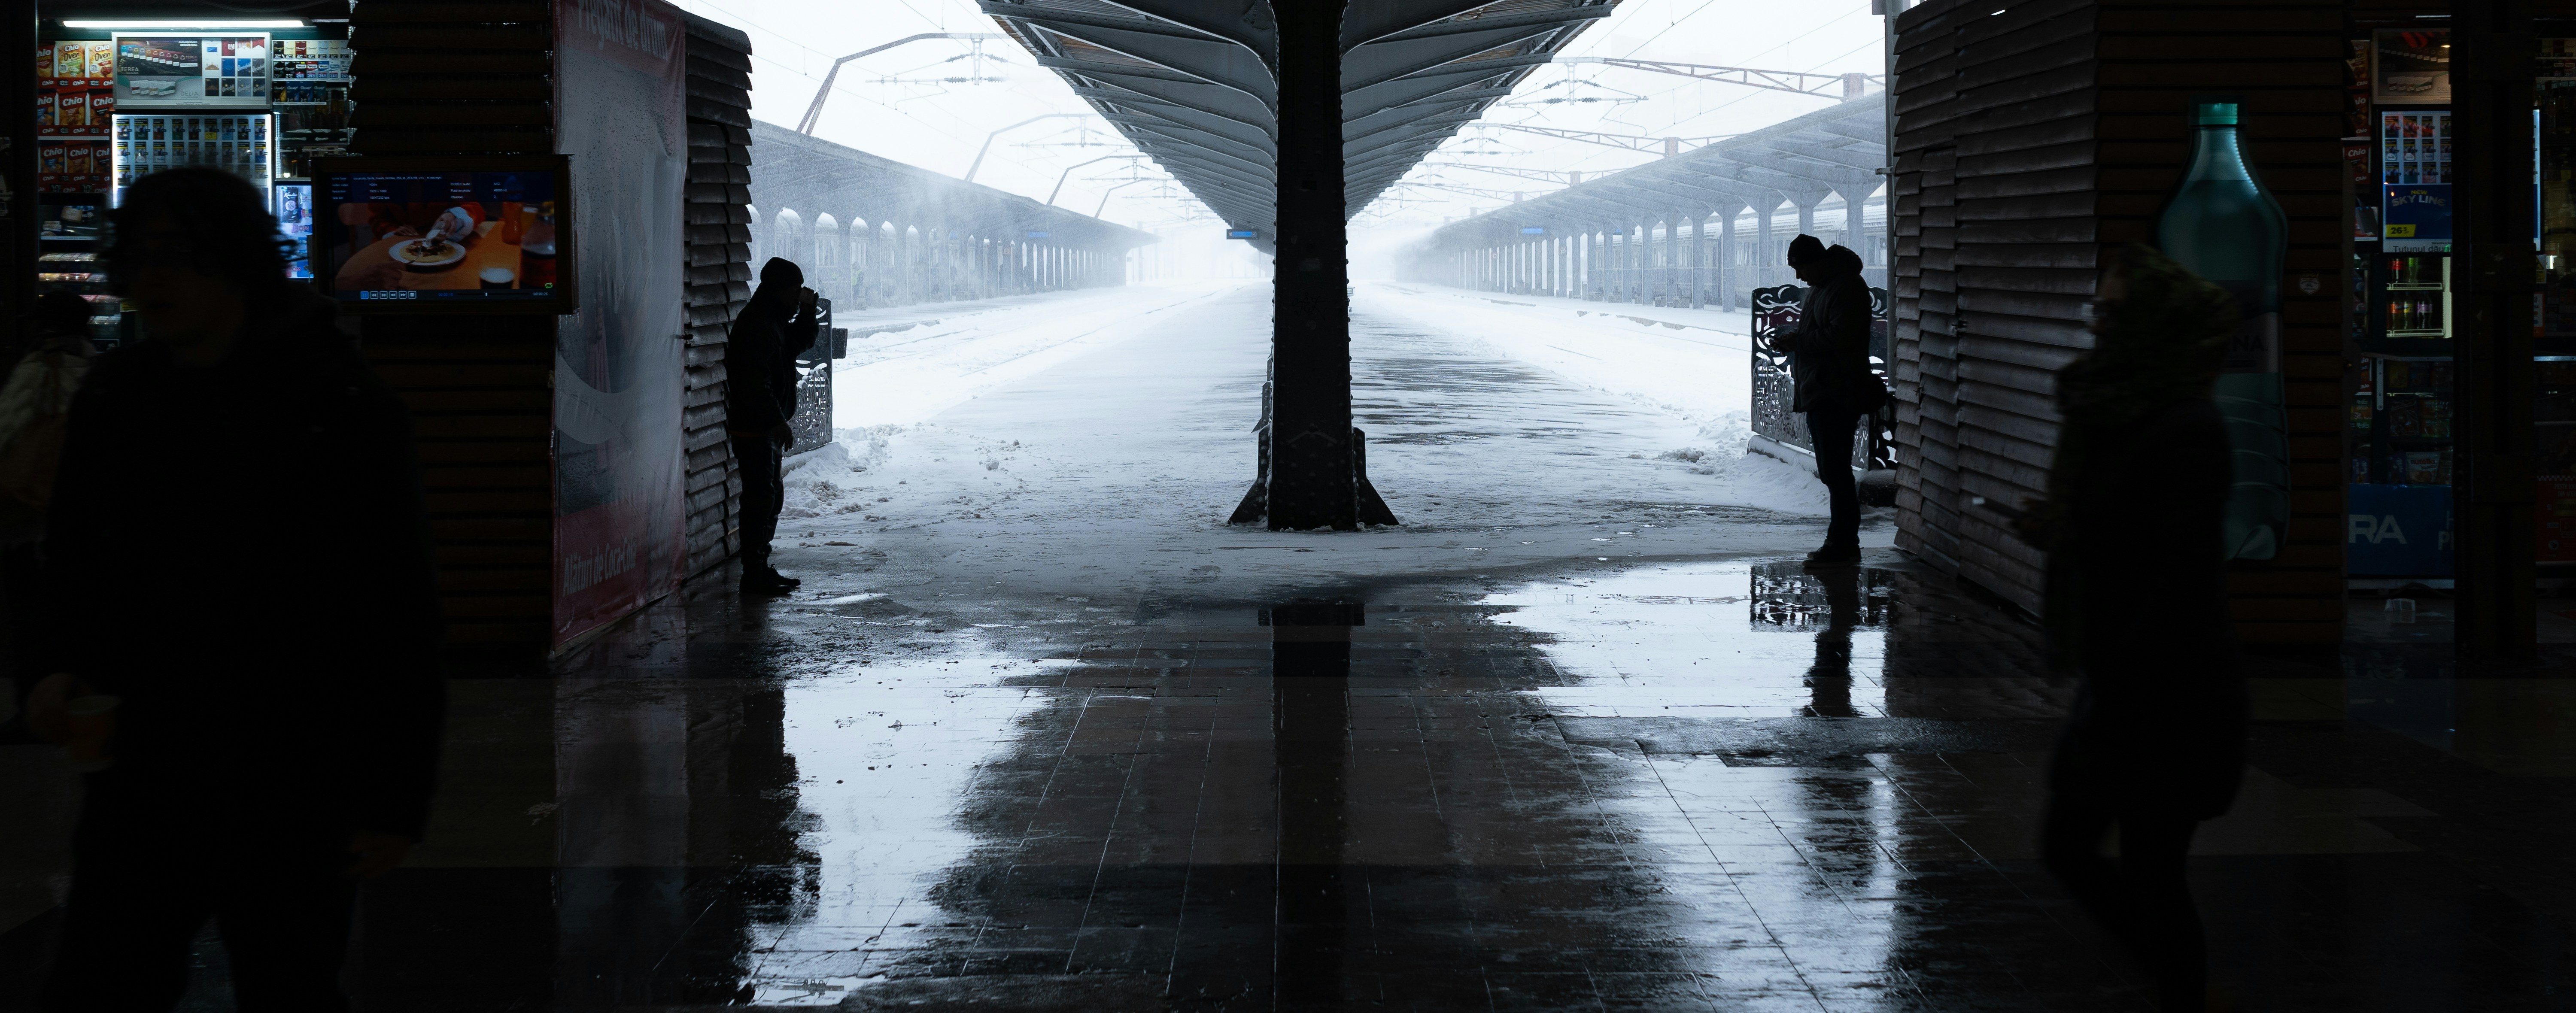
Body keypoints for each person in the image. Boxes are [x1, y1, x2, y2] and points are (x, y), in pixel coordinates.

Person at [21, 167, 446, 1012]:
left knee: (286, 982)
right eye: (138, 256)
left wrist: (394, 794)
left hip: (295, 778)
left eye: (180, 256)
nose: (151, 278)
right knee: (102, 980)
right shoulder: (118, 396)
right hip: (141, 770)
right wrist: (50, 667)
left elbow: (396, 606)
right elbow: (73, 559)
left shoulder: (341, 405)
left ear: (237, 262)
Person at [2015, 243, 2246, 1013]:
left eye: (2115, 313)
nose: (2101, 328)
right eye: (2098, 311)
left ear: (2151, 322)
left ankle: (2187, 994)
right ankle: (2185, 991)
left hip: (2172, 687)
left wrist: (2122, 679)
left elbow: (2177, 572)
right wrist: (2060, 528)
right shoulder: (2114, 409)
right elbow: (2116, 530)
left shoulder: (2186, 425)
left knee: (2141, 865)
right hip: (2122, 677)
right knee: (2085, 852)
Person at [1772, 233, 1880, 565]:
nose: (1798, 276)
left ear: (1817, 262)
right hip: (1823, 390)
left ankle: (1843, 544)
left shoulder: (1846, 287)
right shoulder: (1825, 287)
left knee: (1836, 473)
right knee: (1833, 472)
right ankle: (1841, 541)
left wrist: (1799, 342)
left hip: (1837, 392)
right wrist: (1798, 340)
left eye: (1800, 267)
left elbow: (1841, 336)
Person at [725, 257, 819, 596]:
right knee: (760, 500)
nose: (799, 296)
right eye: (795, 291)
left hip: (763, 428)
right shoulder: (758, 324)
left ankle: (760, 568)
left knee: (769, 497)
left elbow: (800, 343)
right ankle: (753, 574)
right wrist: (777, 421)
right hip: (754, 429)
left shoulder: (774, 320)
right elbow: (755, 382)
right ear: (779, 289)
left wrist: (808, 313)